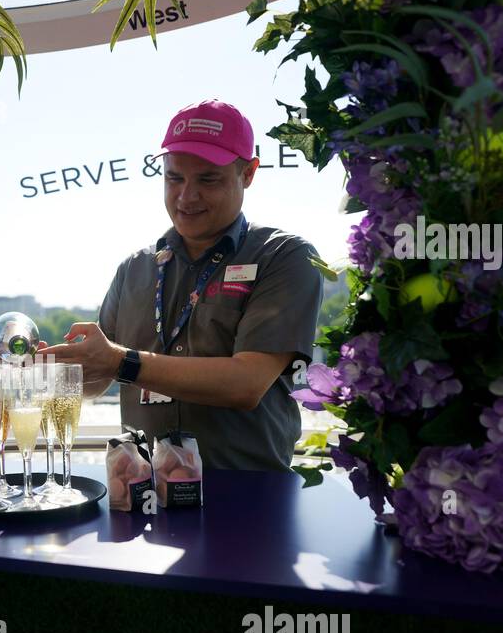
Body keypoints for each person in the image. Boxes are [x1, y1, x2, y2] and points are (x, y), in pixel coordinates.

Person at [41, 99, 324, 473]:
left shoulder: (285, 256)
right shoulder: (133, 269)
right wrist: (49, 372)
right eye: (174, 178)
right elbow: (98, 377)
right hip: (142, 497)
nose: (186, 196)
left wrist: (120, 360)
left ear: (249, 173)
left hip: (250, 499)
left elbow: (246, 384)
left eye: (208, 179)